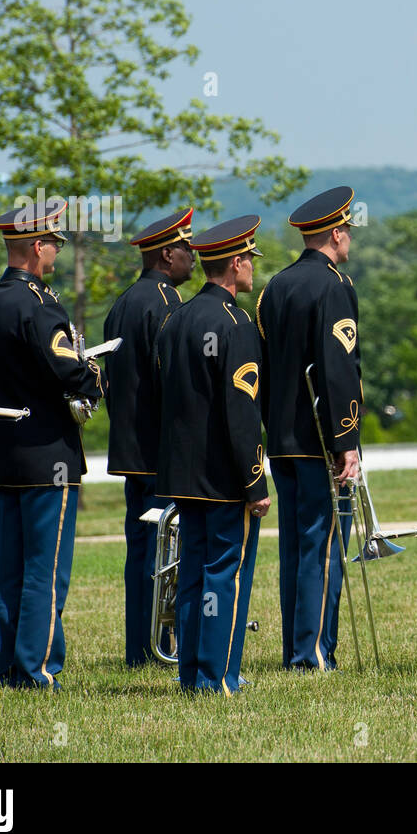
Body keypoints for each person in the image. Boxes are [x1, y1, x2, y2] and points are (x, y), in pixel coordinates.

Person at [0, 200, 103, 690]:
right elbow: (66, 367)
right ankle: (36, 668)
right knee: (46, 570)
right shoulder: (40, 304)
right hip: (48, 455)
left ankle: (4, 666)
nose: (57, 254)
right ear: (37, 247)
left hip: (3, 451)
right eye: (54, 245)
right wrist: (93, 378)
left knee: (9, 570)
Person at [154, 215, 268, 693]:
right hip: (223, 475)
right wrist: (255, 481)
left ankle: (191, 673)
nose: (252, 270)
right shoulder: (235, 324)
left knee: (194, 574)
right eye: (250, 261)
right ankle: (218, 677)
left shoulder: (175, 318)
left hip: (184, 472)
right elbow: (241, 414)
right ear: (236, 262)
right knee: (224, 575)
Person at [256, 187, 361, 672]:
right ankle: (312, 653)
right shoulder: (334, 286)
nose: (349, 242)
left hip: (282, 437)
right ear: (336, 233)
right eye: (347, 233)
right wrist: (346, 442)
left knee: (297, 546)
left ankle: (297, 649)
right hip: (319, 440)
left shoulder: (273, 287)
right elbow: (339, 371)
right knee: (322, 547)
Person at [102, 208, 195, 666]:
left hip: (130, 450)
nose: (193, 258)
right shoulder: (165, 304)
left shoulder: (122, 302)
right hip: (160, 450)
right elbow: (172, 382)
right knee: (166, 549)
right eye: (187, 249)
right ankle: (159, 649)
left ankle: (141, 647)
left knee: (141, 549)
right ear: (166, 253)